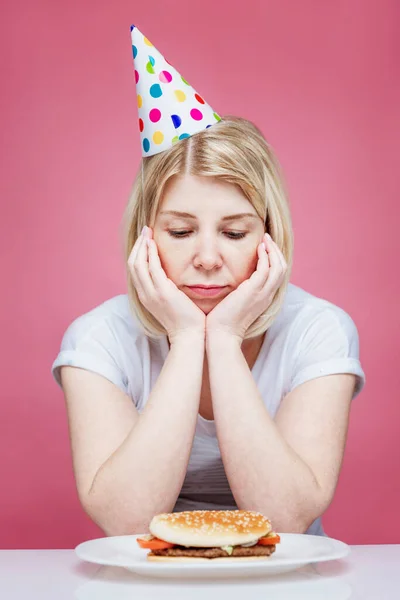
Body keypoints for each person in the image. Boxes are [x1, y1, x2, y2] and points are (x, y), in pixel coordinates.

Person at [51, 24, 366, 538]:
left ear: (270, 234)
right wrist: (183, 341)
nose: (206, 257)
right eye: (180, 230)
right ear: (145, 234)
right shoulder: (97, 338)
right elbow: (126, 521)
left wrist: (221, 337)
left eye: (235, 232)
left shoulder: (319, 329)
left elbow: (285, 520)